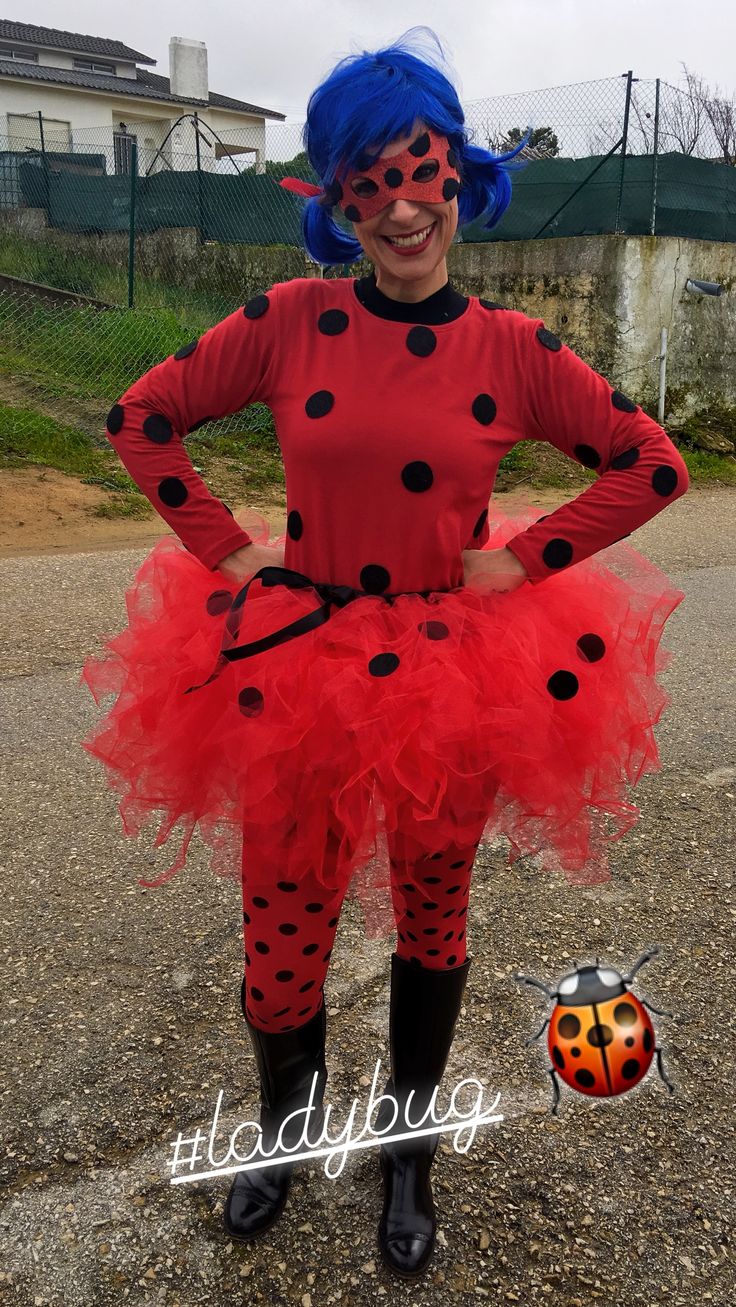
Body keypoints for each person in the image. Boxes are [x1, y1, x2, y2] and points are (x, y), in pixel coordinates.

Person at [79, 26, 689, 1280]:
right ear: (337, 199)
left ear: (460, 178)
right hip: (297, 657)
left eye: (421, 176)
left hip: (453, 672)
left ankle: (404, 1149)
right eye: (367, 184)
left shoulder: (516, 350)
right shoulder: (287, 319)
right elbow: (141, 418)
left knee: (431, 917)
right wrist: (225, 552)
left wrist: (525, 559)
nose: (400, 208)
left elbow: (652, 462)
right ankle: (287, 1129)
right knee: (284, 919)